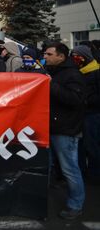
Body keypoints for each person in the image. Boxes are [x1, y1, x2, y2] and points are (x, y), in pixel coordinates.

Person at [44, 42, 86, 220]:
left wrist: (52, 85)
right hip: (53, 127)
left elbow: (75, 99)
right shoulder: (57, 72)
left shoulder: (73, 75)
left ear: (61, 56)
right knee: (51, 165)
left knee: (70, 169)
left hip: (66, 130)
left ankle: (76, 205)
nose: (45, 56)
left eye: (49, 54)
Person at [71, 45, 100, 183]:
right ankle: (81, 172)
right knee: (79, 145)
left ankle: (95, 173)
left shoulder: (96, 71)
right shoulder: (77, 72)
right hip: (80, 114)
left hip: (92, 114)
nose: (76, 58)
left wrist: (87, 100)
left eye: (78, 55)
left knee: (92, 145)